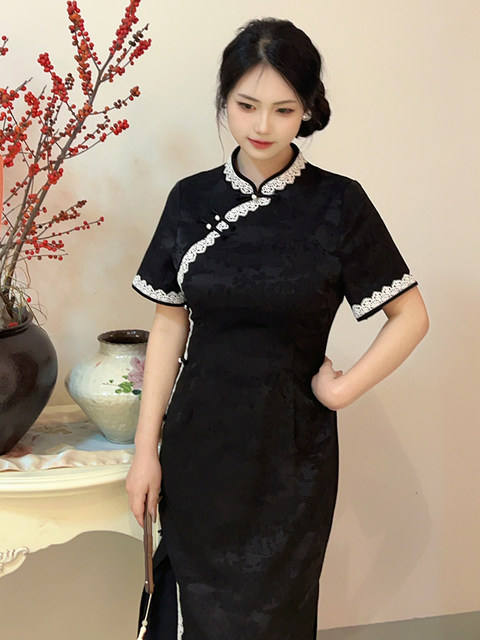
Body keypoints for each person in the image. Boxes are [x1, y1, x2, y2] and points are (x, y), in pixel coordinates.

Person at [126, 17, 429, 640]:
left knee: (275, 619)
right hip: (198, 446)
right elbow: (168, 324)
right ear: (224, 101)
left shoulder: (339, 204)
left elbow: (411, 316)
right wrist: (144, 451)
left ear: (308, 109)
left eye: (284, 110)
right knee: (190, 612)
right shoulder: (189, 200)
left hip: (292, 457)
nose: (262, 125)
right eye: (246, 106)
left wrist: (341, 390)